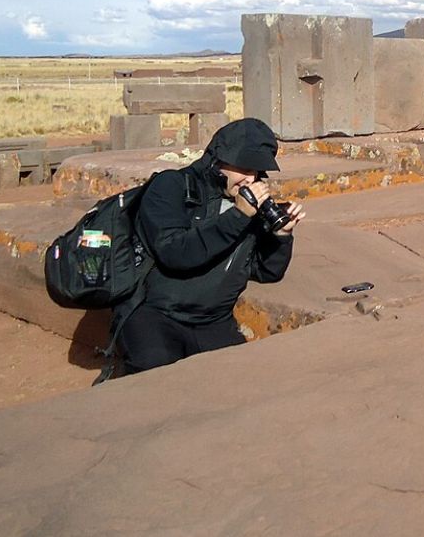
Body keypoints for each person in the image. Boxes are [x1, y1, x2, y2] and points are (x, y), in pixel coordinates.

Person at [117, 117, 305, 375]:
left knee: (244, 385)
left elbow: (267, 272)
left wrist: (281, 237)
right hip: (156, 314)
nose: (249, 179)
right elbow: (175, 252)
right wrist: (238, 216)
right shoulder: (171, 186)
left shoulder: (249, 205)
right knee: (155, 380)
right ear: (217, 160)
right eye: (243, 167)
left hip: (213, 321)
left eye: (256, 171)